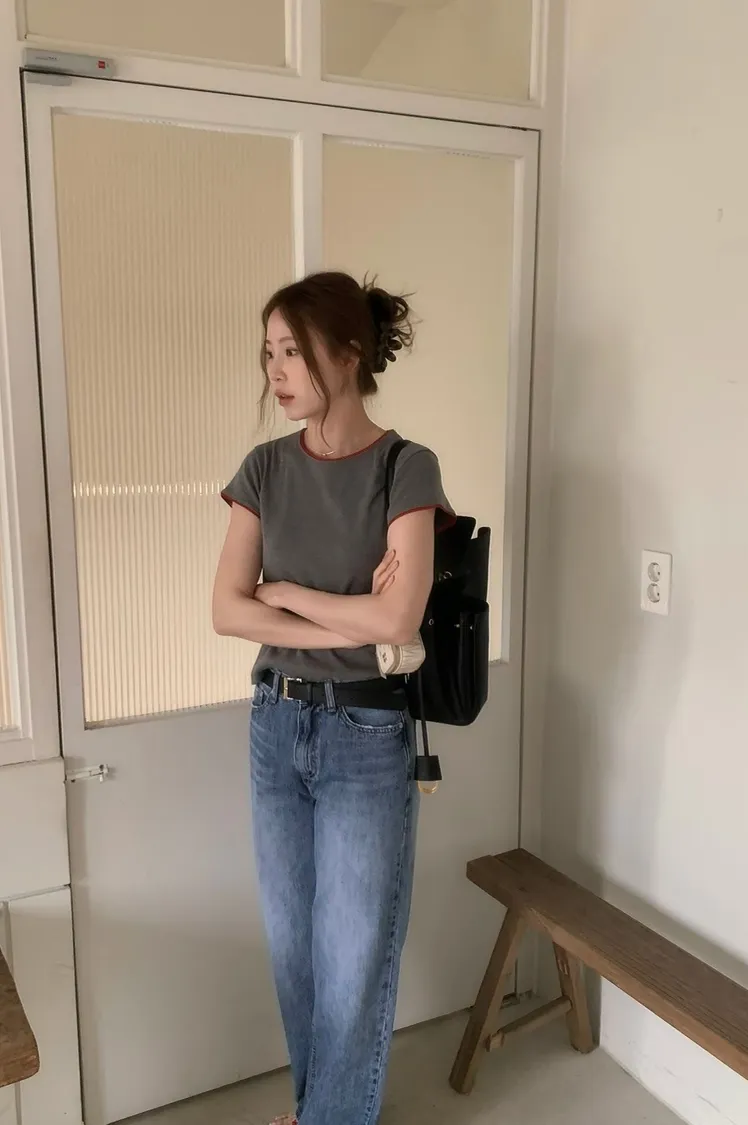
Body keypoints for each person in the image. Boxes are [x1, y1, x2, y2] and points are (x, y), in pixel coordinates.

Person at [212, 271, 453, 1125]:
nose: (276, 371)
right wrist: (344, 614)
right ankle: (322, 1111)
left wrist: (285, 593)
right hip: (276, 722)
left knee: (352, 957)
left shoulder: (405, 466)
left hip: (365, 729)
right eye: (269, 353)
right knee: (296, 953)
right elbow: (225, 609)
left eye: (293, 351)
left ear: (349, 354)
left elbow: (398, 618)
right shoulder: (264, 468)